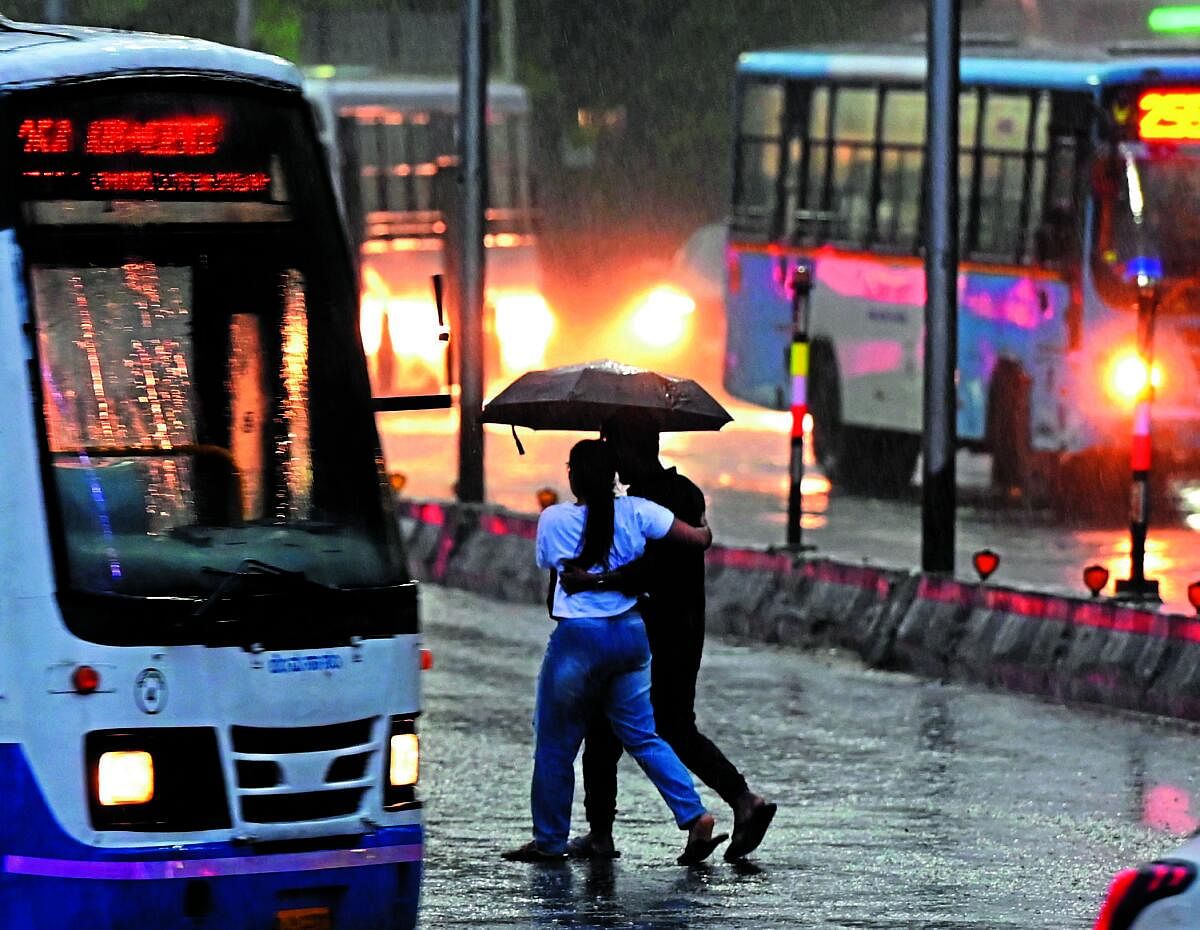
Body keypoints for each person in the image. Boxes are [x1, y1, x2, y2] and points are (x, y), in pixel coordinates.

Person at [563, 413, 776, 862]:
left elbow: (649, 570)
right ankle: (741, 800)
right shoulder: (686, 492)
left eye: (615, 448)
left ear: (632, 450)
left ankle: (603, 833)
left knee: (607, 729)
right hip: (685, 629)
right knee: (671, 725)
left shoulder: (645, 504)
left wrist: (594, 581)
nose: (613, 463)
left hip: (650, 633)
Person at [502, 439, 727, 864]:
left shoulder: (554, 519)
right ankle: (694, 815)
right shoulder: (640, 511)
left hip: (579, 641)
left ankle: (550, 841)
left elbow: (554, 566)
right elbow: (697, 539)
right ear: (613, 476)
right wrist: (703, 524)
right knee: (643, 735)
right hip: (630, 636)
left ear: (573, 476)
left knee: (556, 745)